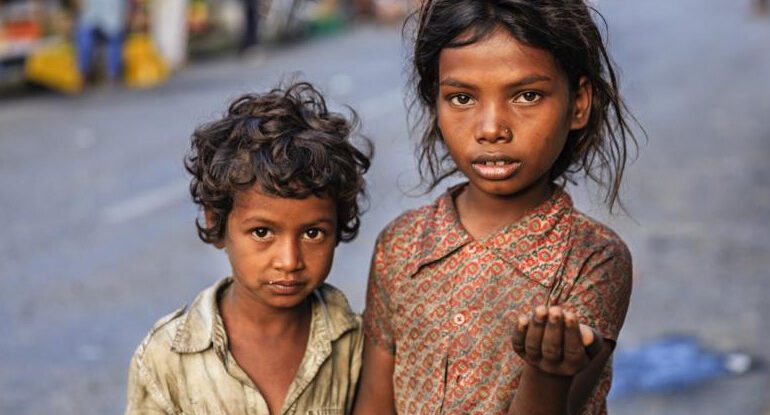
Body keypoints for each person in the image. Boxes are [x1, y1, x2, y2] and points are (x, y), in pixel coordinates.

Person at [354, 0, 639, 414]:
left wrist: (547, 373)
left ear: (578, 103)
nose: (491, 129)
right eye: (462, 98)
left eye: (526, 95)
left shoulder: (591, 258)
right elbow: (374, 404)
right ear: (435, 100)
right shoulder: (401, 246)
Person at [125, 82, 371, 414]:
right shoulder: (167, 356)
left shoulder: (358, 346)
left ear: (338, 228)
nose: (289, 260)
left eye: (313, 233)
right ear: (217, 224)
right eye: (261, 232)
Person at [74, 0, 128, 82]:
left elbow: (124, 9)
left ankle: (113, 75)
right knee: (83, 36)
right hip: (91, 21)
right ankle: (83, 74)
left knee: (115, 37)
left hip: (112, 22)